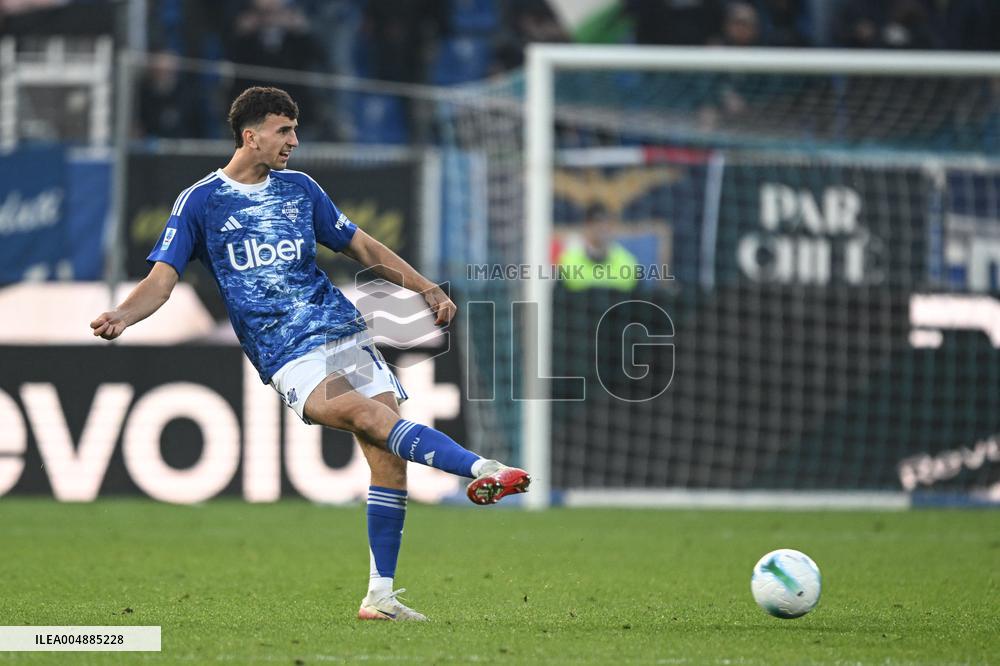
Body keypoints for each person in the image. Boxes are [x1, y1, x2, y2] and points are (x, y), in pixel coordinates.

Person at [90, 86, 530, 622]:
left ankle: (381, 596)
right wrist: (122, 315)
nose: (293, 141)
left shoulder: (300, 189)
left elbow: (362, 246)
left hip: (344, 332)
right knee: (369, 417)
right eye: (283, 131)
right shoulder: (201, 201)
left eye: (295, 130)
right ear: (250, 137)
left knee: (387, 453)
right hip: (287, 352)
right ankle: (484, 468)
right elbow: (162, 279)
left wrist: (425, 288)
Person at [558, 204, 639, 292]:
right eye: (597, 223)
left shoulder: (628, 261)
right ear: (586, 226)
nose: (602, 228)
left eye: (607, 224)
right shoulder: (569, 261)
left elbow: (639, 299)